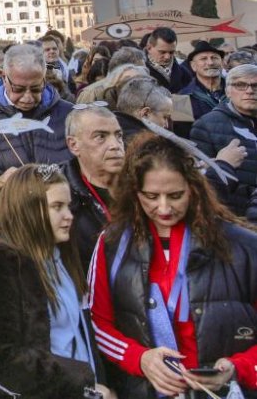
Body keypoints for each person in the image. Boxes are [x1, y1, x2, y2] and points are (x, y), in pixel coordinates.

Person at [90, 133, 257, 398]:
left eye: (176, 195)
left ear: (194, 188)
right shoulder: (112, 243)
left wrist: (238, 368)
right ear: (135, 193)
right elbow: (98, 322)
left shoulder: (245, 247)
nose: (164, 207)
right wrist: (140, 358)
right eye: (151, 196)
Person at [0, 164, 115, 399]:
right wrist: (79, 383)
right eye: (57, 207)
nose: (69, 216)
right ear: (28, 209)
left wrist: (94, 386)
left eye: (68, 205)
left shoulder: (61, 252)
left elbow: (79, 334)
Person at [0, 44, 74, 199]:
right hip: (6, 212)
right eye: (18, 89)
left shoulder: (69, 114)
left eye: (35, 89)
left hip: (62, 210)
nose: (28, 97)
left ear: (44, 79)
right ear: (3, 77)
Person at [190, 62, 257, 217]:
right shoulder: (206, 125)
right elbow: (204, 180)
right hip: (236, 215)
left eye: (255, 85)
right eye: (240, 85)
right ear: (227, 91)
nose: (249, 91)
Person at [62, 105, 124, 263]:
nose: (115, 145)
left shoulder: (142, 185)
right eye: (100, 137)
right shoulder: (59, 194)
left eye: (118, 136)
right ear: (74, 145)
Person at [178, 40, 227, 120]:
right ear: (193, 66)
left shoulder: (239, 88)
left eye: (214, 58)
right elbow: (182, 130)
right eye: (203, 59)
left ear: (222, 63)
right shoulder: (182, 97)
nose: (210, 62)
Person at [142, 27, 191, 94]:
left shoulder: (185, 74)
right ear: (149, 48)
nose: (167, 57)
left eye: (171, 52)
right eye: (162, 52)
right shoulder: (136, 72)